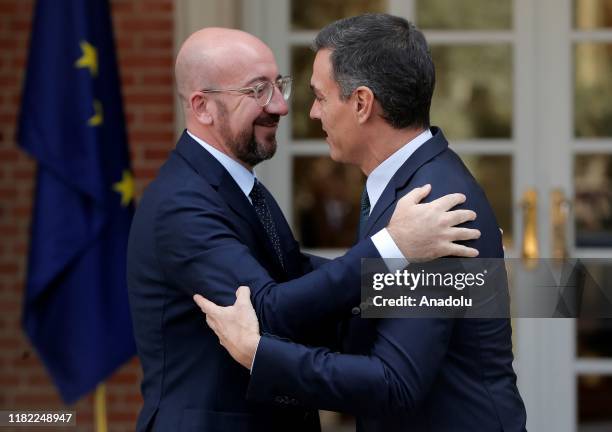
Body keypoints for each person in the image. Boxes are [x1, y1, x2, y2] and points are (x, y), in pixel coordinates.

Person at [127, 26, 481, 432]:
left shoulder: (240, 188)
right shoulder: (181, 205)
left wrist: (471, 283)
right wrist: (391, 248)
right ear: (202, 107)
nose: (280, 106)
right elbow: (268, 312)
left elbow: (295, 272)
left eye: (278, 85)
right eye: (257, 90)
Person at [194, 14, 527, 432]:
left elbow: (394, 383)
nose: (313, 113)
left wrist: (257, 352)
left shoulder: (433, 212)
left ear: (362, 103)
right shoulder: (405, 192)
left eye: (320, 96)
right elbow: (371, 315)